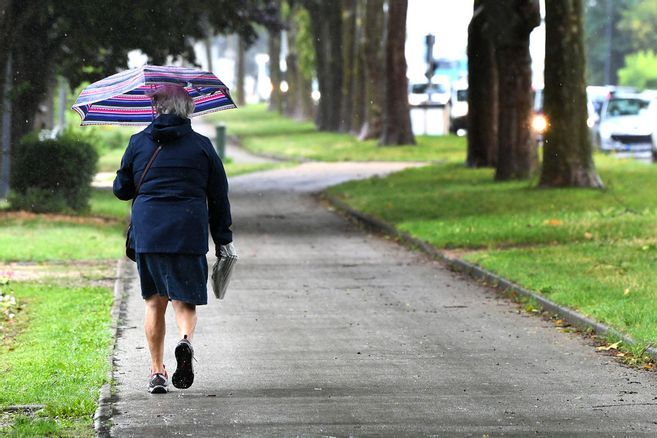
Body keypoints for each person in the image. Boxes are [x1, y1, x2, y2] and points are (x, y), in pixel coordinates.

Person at [113, 85, 232, 394]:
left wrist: (124, 174)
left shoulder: (138, 143)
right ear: (187, 109)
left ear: (156, 108)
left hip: (150, 231)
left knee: (154, 302)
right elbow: (218, 197)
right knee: (185, 300)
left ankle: (156, 373)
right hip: (188, 231)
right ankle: (185, 341)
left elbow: (122, 190)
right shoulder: (202, 146)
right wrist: (223, 239)